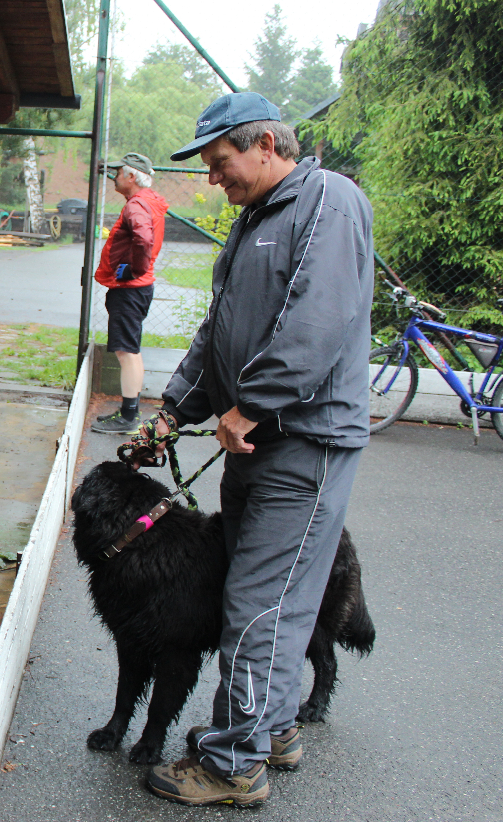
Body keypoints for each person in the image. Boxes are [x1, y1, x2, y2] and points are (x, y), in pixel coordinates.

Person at [141, 92, 374, 808]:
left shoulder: (329, 204)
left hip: (301, 443)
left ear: (267, 142)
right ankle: (268, 726)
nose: (217, 179)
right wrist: (175, 409)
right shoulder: (255, 221)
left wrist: (252, 405)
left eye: (223, 163)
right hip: (255, 442)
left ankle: (233, 762)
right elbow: (220, 331)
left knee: (258, 603)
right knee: (271, 595)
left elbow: (318, 322)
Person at [91, 152, 168, 434]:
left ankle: (129, 417)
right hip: (135, 288)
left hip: (130, 289)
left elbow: (144, 239)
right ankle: (128, 412)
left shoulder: (137, 205)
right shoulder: (146, 202)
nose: (114, 178)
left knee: (127, 352)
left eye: (118, 173)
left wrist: (133, 270)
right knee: (129, 350)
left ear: (132, 176)